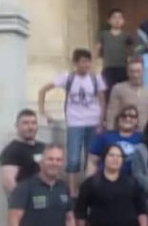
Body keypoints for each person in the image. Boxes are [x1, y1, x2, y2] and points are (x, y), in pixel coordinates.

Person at [38, 48, 106, 196]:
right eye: (83, 62)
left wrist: (101, 121)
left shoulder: (96, 78)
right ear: (76, 63)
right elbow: (43, 90)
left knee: (92, 157)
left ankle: (89, 189)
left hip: (93, 121)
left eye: (88, 62)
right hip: (75, 122)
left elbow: (101, 99)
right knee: (73, 158)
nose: (86, 65)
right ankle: (72, 190)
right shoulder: (67, 77)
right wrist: (43, 111)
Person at [75, 144, 148, 226]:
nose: (115, 159)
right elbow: (80, 213)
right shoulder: (91, 183)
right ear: (104, 158)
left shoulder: (131, 183)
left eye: (119, 156)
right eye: (111, 155)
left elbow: (142, 211)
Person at [86, 105, 143, 176]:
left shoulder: (143, 138)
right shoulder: (104, 136)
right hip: (105, 178)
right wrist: (90, 180)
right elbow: (92, 161)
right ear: (118, 119)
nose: (128, 119)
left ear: (137, 120)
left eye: (132, 116)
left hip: (132, 179)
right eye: (123, 115)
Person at [0, 109, 46, 194]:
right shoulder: (11, 151)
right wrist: (24, 198)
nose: (30, 127)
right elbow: (8, 182)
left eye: (33, 123)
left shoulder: (43, 147)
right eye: (25, 123)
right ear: (17, 126)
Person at [105, 58, 148, 131]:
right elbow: (111, 113)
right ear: (127, 72)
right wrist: (110, 132)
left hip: (145, 133)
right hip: (124, 132)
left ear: (144, 72)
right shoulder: (118, 89)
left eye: (138, 71)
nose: (135, 75)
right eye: (132, 71)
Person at [95, 8, 135, 93]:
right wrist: (94, 64)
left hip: (123, 67)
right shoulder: (103, 34)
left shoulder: (127, 35)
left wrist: (132, 61)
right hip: (108, 67)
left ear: (123, 21)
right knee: (108, 91)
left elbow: (134, 48)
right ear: (109, 21)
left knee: (123, 91)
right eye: (114, 17)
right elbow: (97, 48)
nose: (117, 20)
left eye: (119, 17)